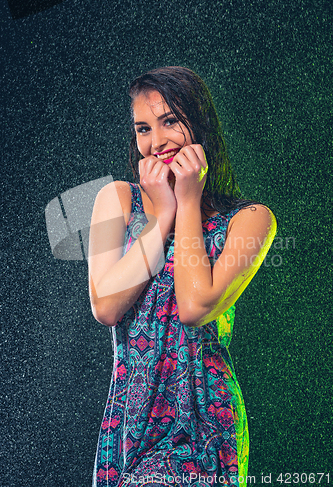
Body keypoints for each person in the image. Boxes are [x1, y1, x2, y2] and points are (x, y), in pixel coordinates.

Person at [88, 66, 277, 487]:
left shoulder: (250, 220)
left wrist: (188, 203)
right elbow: (106, 306)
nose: (156, 142)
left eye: (170, 121)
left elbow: (194, 306)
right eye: (143, 128)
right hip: (129, 423)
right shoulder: (116, 200)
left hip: (205, 424)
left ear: (199, 121)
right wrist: (163, 215)